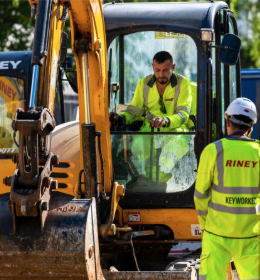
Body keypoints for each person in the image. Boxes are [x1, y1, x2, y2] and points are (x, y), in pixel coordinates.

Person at [194, 97, 260, 280]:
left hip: (217, 236)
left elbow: (200, 195)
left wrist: (206, 227)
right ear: (251, 127)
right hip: (251, 236)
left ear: (228, 120)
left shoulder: (213, 151)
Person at [110, 51, 192, 132]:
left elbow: (183, 114)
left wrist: (165, 120)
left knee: (177, 143)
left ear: (173, 67)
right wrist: (121, 118)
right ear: (153, 67)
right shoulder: (143, 84)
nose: (161, 75)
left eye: (165, 70)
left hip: (176, 130)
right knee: (137, 144)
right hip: (149, 130)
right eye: (157, 70)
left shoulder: (183, 84)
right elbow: (134, 111)